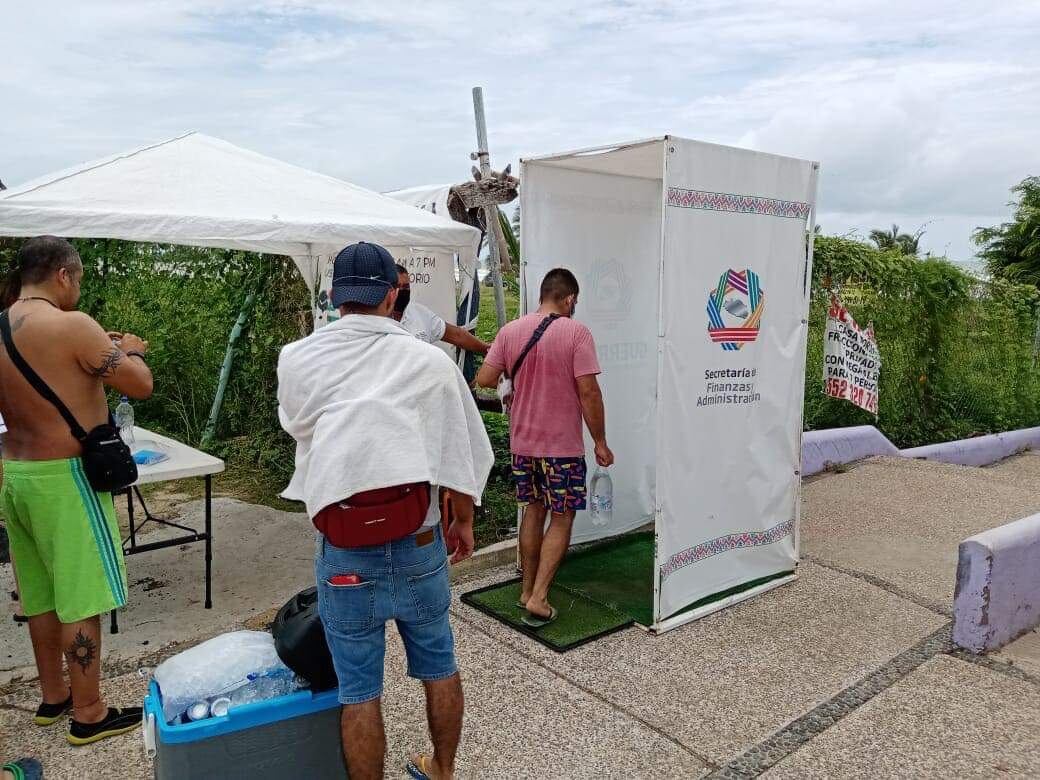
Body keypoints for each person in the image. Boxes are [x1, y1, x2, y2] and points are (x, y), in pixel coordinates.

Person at [278, 241, 493, 780]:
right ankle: (442, 769)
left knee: (358, 691)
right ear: (393, 295)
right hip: (419, 539)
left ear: (333, 295)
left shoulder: (298, 357)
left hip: (346, 550)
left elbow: (299, 426)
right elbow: (459, 451)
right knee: (439, 665)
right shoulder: (427, 362)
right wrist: (462, 520)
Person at [0, 236, 153, 745]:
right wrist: (127, 351)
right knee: (82, 595)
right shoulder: (73, 325)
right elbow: (139, 385)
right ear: (63, 275)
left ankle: (54, 695)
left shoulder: (2, 325)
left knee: (40, 595)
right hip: (67, 479)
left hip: (17, 475)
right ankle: (89, 711)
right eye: (78, 279)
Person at [476, 268, 614, 627]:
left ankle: (525, 590)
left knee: (533, 511)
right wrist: (600, 441)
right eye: (575, 302)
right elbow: (588, 392)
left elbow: (485, 379)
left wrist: (514, 378)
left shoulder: (510, 332)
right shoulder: (576, 333)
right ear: (568, 299)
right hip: (562, 448)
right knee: (562, 516)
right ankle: (539, 597)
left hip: (524, 444)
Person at [392, 264, 489, 354]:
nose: (401, 291)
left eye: (406, 286)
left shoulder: (420, 313)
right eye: (397, 287)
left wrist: (487, 349)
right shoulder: (379, 316)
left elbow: (457, 335)